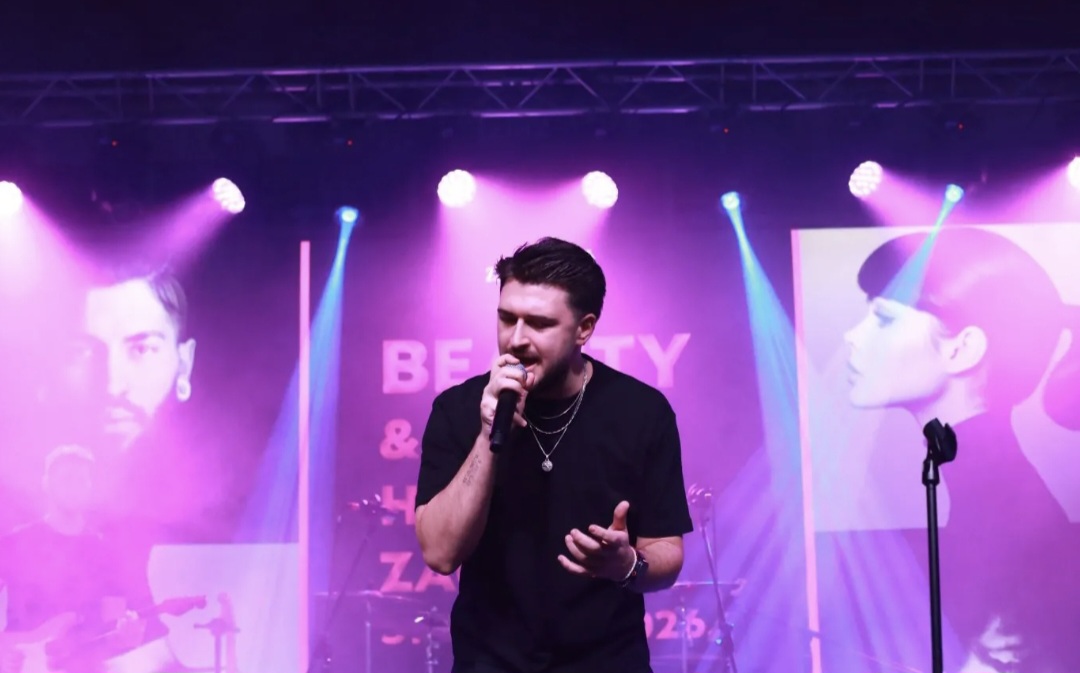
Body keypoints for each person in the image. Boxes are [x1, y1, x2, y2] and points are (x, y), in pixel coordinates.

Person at [414, 237, 693, 673]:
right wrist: (488, 434)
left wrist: (627, 565)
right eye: (507, 318)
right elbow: (440, 553)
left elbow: (666, 551)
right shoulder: (457, 408)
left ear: (584, 329)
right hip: (489, 662)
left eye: (540, 324)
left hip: (607, 663)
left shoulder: (641, 412)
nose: (516, 340)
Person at [844, 227, 1080, 672]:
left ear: (963, 348)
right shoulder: (980, 478)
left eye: (884, 319)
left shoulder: (998, 499)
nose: (852, 336)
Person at [0, 445, 146, 673]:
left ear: (90, 487)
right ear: (46, 484)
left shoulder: (106, 551)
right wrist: (3, 650)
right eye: (67, 478)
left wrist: (126, 636)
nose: (74, 486)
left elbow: (112, 627)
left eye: (82, 480)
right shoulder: (16, 542)